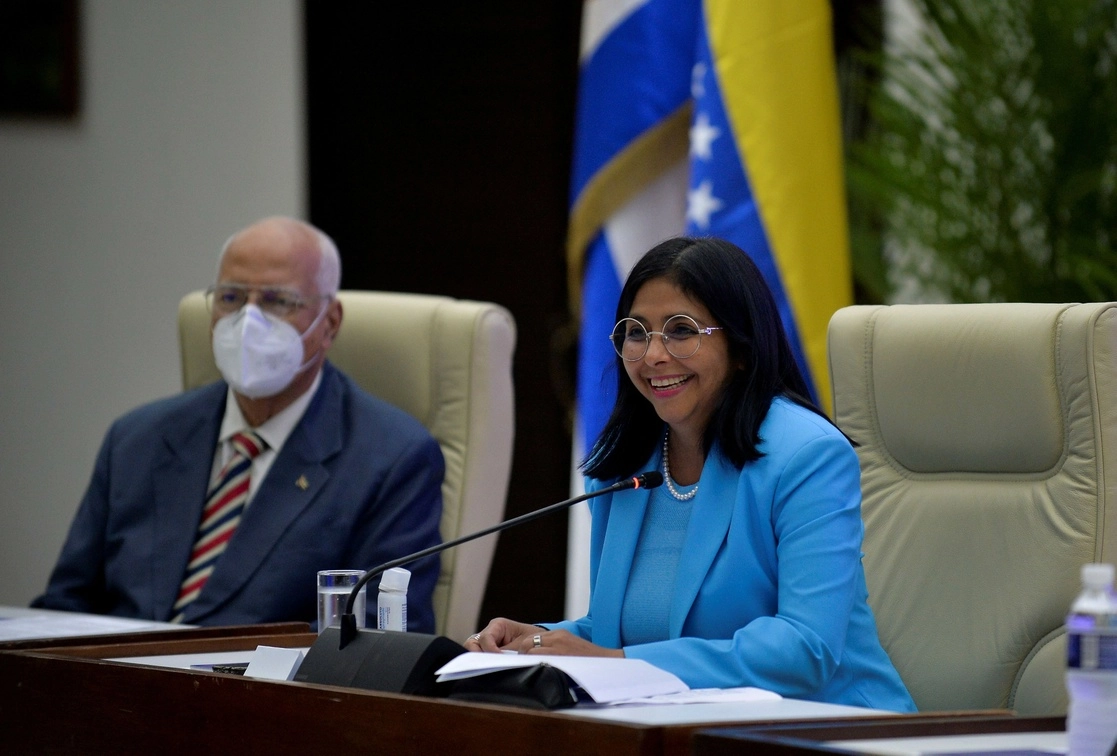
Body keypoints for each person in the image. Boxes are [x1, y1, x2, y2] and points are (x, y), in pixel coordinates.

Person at [466, 236, 915, 711]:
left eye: (681, 331)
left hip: (837, 729)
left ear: (741, 347)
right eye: (637, 332)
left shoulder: (808, 456)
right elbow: (614, 630)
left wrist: (617, 663)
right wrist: (533, 641)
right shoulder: (622, 465)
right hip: (686, 730)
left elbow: (804, 649)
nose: (654, 354)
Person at [33, 216, 445, 632]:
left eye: (277, 301)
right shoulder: (137, 438)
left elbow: (381, 644)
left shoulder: (392, 458)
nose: (248, 321)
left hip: (263, 692)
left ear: (330, 323)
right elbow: (63, 607)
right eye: (230, 297)